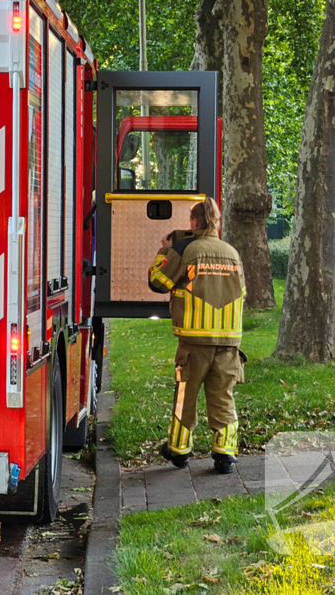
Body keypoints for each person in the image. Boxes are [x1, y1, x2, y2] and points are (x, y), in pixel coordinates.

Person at [147, 197, 246, 474]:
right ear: (217, 221)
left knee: (185, 398)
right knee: (223, 398)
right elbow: (242, 292)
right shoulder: (232, 253)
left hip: (194, 342)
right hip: (229, 342)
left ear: (194, 222)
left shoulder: (185, 251)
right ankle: (225, 455)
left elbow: (158, 282)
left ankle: (179, 451)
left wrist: (163, 252)